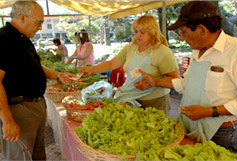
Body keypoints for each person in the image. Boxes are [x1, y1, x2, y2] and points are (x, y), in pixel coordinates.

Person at [135, 1, 237, 154]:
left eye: (184, 33)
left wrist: (209, 111)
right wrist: (155, 82)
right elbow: (187, 83)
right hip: (192, 125)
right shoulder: (197, 50)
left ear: (201, 30)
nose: (181, 39)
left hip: (221, 133)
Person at [0, 1, 75, 160]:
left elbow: (36, 67)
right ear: (22, 17)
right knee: (21, 157)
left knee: (37, 155)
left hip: (35, 106)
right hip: (19, 109)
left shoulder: (23, 39)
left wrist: (57, 76)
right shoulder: (4, 39)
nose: (40, 27)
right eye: (39, 23)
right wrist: (7, 121)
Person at [78, 15, 179, 112]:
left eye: (142, 32)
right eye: (136, 31)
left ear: (152, 32)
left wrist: (154, 82)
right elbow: (112, 64)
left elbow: (174, 80)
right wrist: (91, 69)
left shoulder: (163, 52)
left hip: (155, 102)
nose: (138, 35)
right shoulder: (131, 47)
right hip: (132, 99)